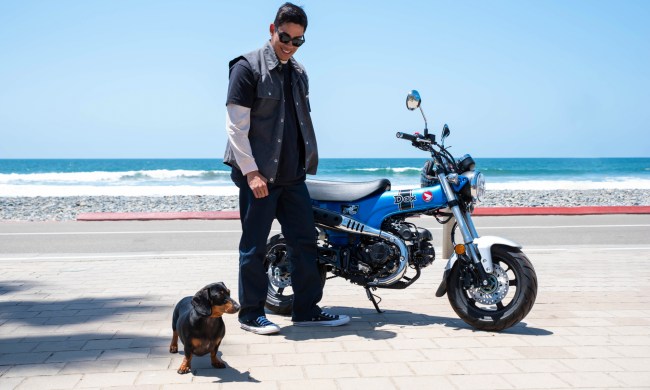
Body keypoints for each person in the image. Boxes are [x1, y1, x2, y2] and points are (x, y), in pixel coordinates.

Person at [223, 2, 350, 335]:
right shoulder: (246, 67)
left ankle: (306, 310)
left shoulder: (299, 72)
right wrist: (251, 172)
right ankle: (251, 314)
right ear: (272, 29)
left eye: (298, 40)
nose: (290, 45)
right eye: (285, 37)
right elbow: (236, 127)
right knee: (254, 246)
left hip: (293, 177)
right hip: (260, 179)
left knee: (305, 243)